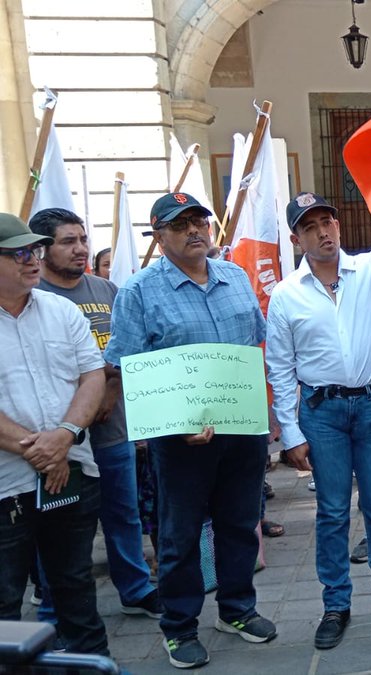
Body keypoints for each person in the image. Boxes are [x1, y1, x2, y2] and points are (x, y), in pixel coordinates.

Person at [264, 157, 371, 650]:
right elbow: (279, 366)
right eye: (310, 228)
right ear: (297, 241)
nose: (322, 233)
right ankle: (336, 603)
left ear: (338, 225)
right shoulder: (287, 295)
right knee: (333, 512)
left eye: (326, 222)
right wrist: (290, 433)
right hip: (325, 415)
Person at [105, 192, 277, 669]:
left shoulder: (237, 277)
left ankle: (237, 610)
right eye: (181, 225)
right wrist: (173, 425)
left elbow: (252, 346)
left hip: (242, 429)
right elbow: (127, 367)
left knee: (241, 524)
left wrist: (270, 414)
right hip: (181, 440)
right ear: (159, 237)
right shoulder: (139, 291)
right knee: (180, 537)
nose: (195, 230)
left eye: (200, 220)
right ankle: (179, 627)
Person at [30, 208, 162, 622]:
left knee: (122, 513)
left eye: (83, 239)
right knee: (60, 526)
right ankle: (56, 602)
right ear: (42, 249)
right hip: (61, 438)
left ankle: (136, 588)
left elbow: (131, 349)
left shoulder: (107, 290)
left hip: (113, 429)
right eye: (68, 242)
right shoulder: (37, 300)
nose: (81, 249)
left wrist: (111, 391)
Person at [0, 213, 108, 656]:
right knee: (5, 598)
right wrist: (41, 450)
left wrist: (64, 438)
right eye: (21, 253)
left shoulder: (62, 311)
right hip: (8, 488)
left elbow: (92, 376)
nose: (33, 260)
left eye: (36, 251)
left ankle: (92, 661)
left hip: (71, 474)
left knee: (75, 584)